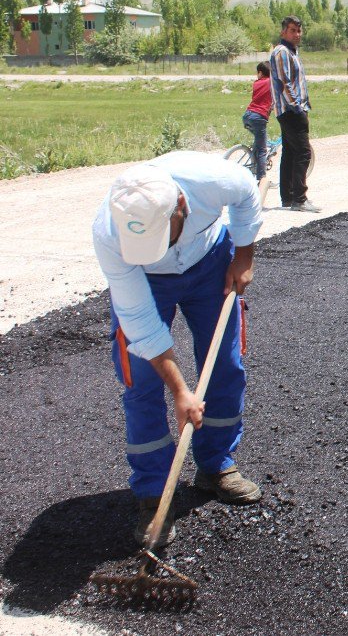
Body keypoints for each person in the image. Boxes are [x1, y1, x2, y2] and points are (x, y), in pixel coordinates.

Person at [92, 151, 264, 547]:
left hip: (208, 262)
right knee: (143, 383)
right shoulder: (110, 233)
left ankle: (216, 464)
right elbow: (140, 326)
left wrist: (243, 256)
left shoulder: (212, 178)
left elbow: (247, 198)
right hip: (147, 282)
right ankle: (154, 493)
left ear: (181, 206)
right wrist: (180, 391)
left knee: (225, 366)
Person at [270, 15, 319, 212]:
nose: (297, 34)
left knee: (290, 153)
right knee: (303, 152)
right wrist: (297, 107)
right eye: (293, 30)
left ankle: (288, 197)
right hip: (290, 111)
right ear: (283, 32)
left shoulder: (292, 52)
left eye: (299, 30)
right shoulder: (282, 52)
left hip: (291, 109)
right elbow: (285, 83)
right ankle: (299, 198)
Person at [243, 62, 274, 182]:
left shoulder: (257, 83)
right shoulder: (271, 82)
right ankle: (261, 180)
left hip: (248, 115)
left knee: (259, 140)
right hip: (259, 117)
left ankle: (254, 163)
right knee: (262, 150)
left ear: (260, 73)